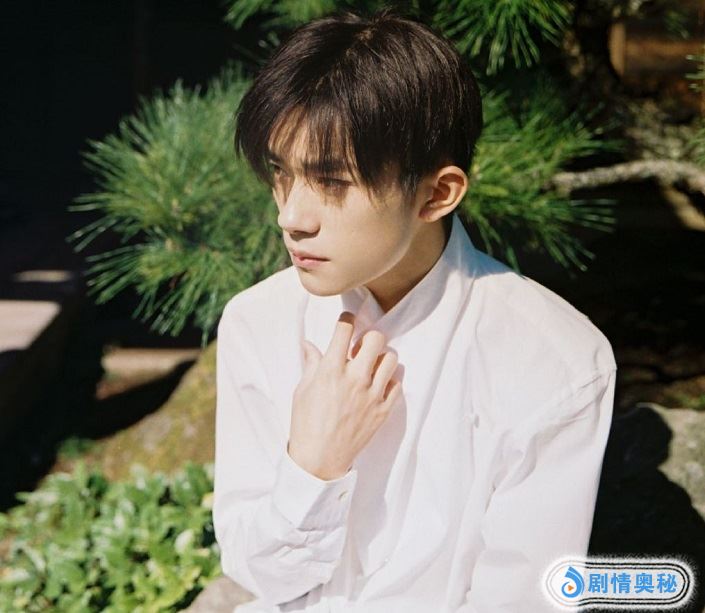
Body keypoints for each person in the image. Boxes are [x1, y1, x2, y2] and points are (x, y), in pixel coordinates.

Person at [212, 7, 617, 612]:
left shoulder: (556, 363)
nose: (290, 216)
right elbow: (256, 574)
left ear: (437, 193)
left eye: (333, 182)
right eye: (280, 172)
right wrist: (314, 466)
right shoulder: (258, 321)